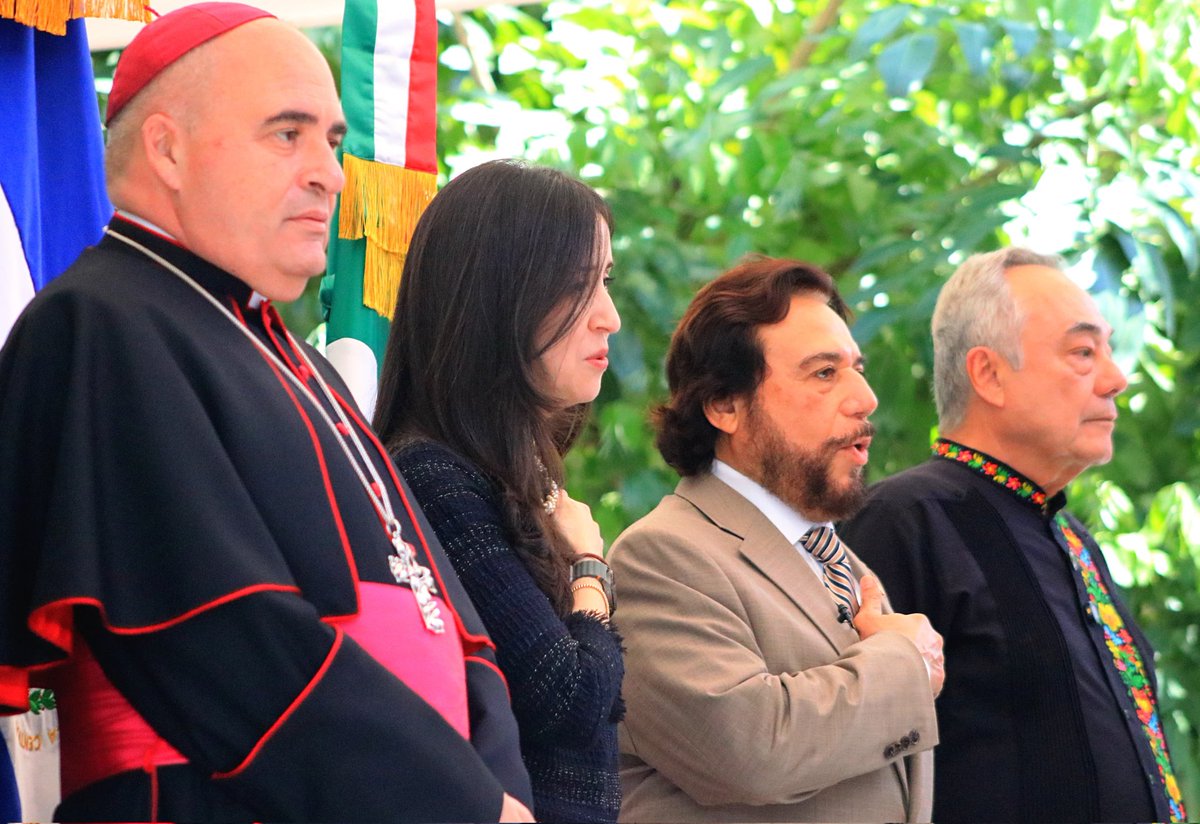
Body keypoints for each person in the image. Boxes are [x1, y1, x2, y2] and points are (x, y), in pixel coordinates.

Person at [0, 5, 533, 821]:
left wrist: (499, 791)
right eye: (288, 134)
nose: (332, 171)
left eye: (333, 138)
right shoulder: (99, 324)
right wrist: (463, 802)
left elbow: (454, 625)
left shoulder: (301, 361)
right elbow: (215, 637)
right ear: (168, 149)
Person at [840, 247, 1187, 823]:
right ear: (990, 374)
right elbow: (854, 756)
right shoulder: (904, 519)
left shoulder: (1073, 538)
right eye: (1082, 352)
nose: (1116, 379)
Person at [609, 257, 943, 823]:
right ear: (725, 405)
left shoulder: (843, 561)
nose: (865, 398)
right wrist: (903, 658)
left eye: (857, 368)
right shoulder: (660, 557)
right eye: (823, 372)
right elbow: (747, 748)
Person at [373, 159, 626, 824]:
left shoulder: (495, 475)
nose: (610, 318)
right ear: (500, 298)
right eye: (580, 286)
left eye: (606, 282)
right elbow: (567, 697)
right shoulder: (435, 477)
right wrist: (590, 570)